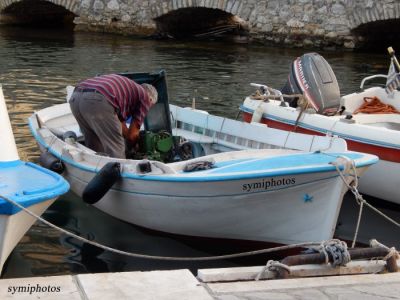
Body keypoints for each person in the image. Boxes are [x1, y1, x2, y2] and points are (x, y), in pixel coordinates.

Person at [69, 74, 158, 159]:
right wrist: (135, 146)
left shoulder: (127, 93)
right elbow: (132, 135)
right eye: (150, 106)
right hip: (97, 99)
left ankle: (95, 168)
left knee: (94, 143)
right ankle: (119, 172)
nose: (147, 109)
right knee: (116, 149)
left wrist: (128, 136)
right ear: (150, 99)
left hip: (76, 97)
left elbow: (122, 126)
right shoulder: (145, 97)